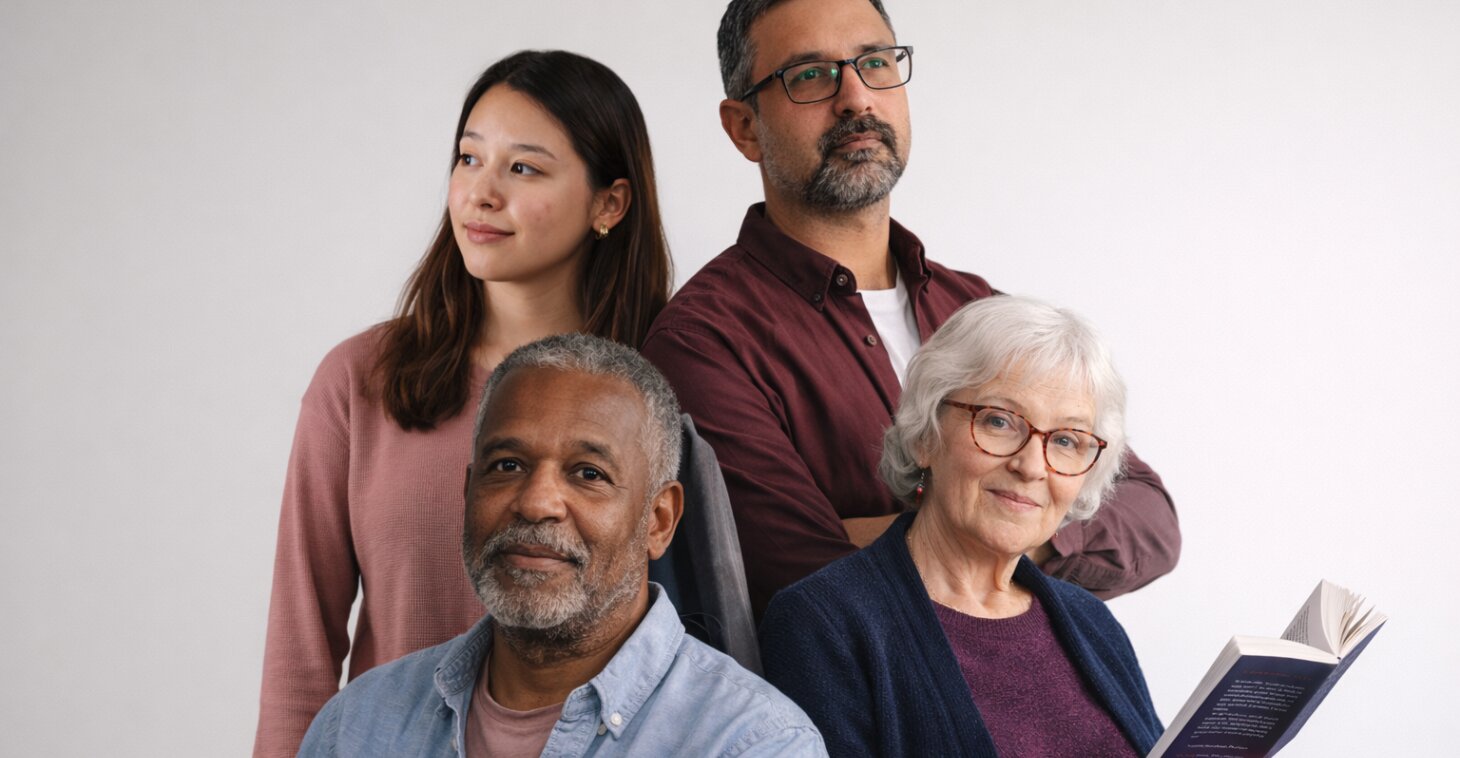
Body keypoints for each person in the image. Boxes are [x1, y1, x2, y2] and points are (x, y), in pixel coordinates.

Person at [640, 0, 1180, 618]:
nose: (856, 99)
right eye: (810, 75)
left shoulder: (974, 307)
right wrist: (1021, 519)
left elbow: (1148, 516)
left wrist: (980, 532)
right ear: (744, 128)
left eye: (874, 63)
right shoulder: (701, 344)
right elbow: (817, 582)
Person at [255, 51, 673, 757]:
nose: (480, 193)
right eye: (469, 159)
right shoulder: (359, 382)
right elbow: (301, 652)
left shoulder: (669, 390)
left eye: (523, 168)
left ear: (610, 203)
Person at [298, 334, 827, 757]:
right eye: (508, 465)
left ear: (659, 520)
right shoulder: (355, 727)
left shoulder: (753, 743)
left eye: (588, 473)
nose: (536, 503)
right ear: (468, 491)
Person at [759, 296, 1164, 756]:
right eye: (999, 421)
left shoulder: (1090, 621)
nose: (1033, 466)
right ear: (926, 436)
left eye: (1067, 441)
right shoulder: (824, 621)